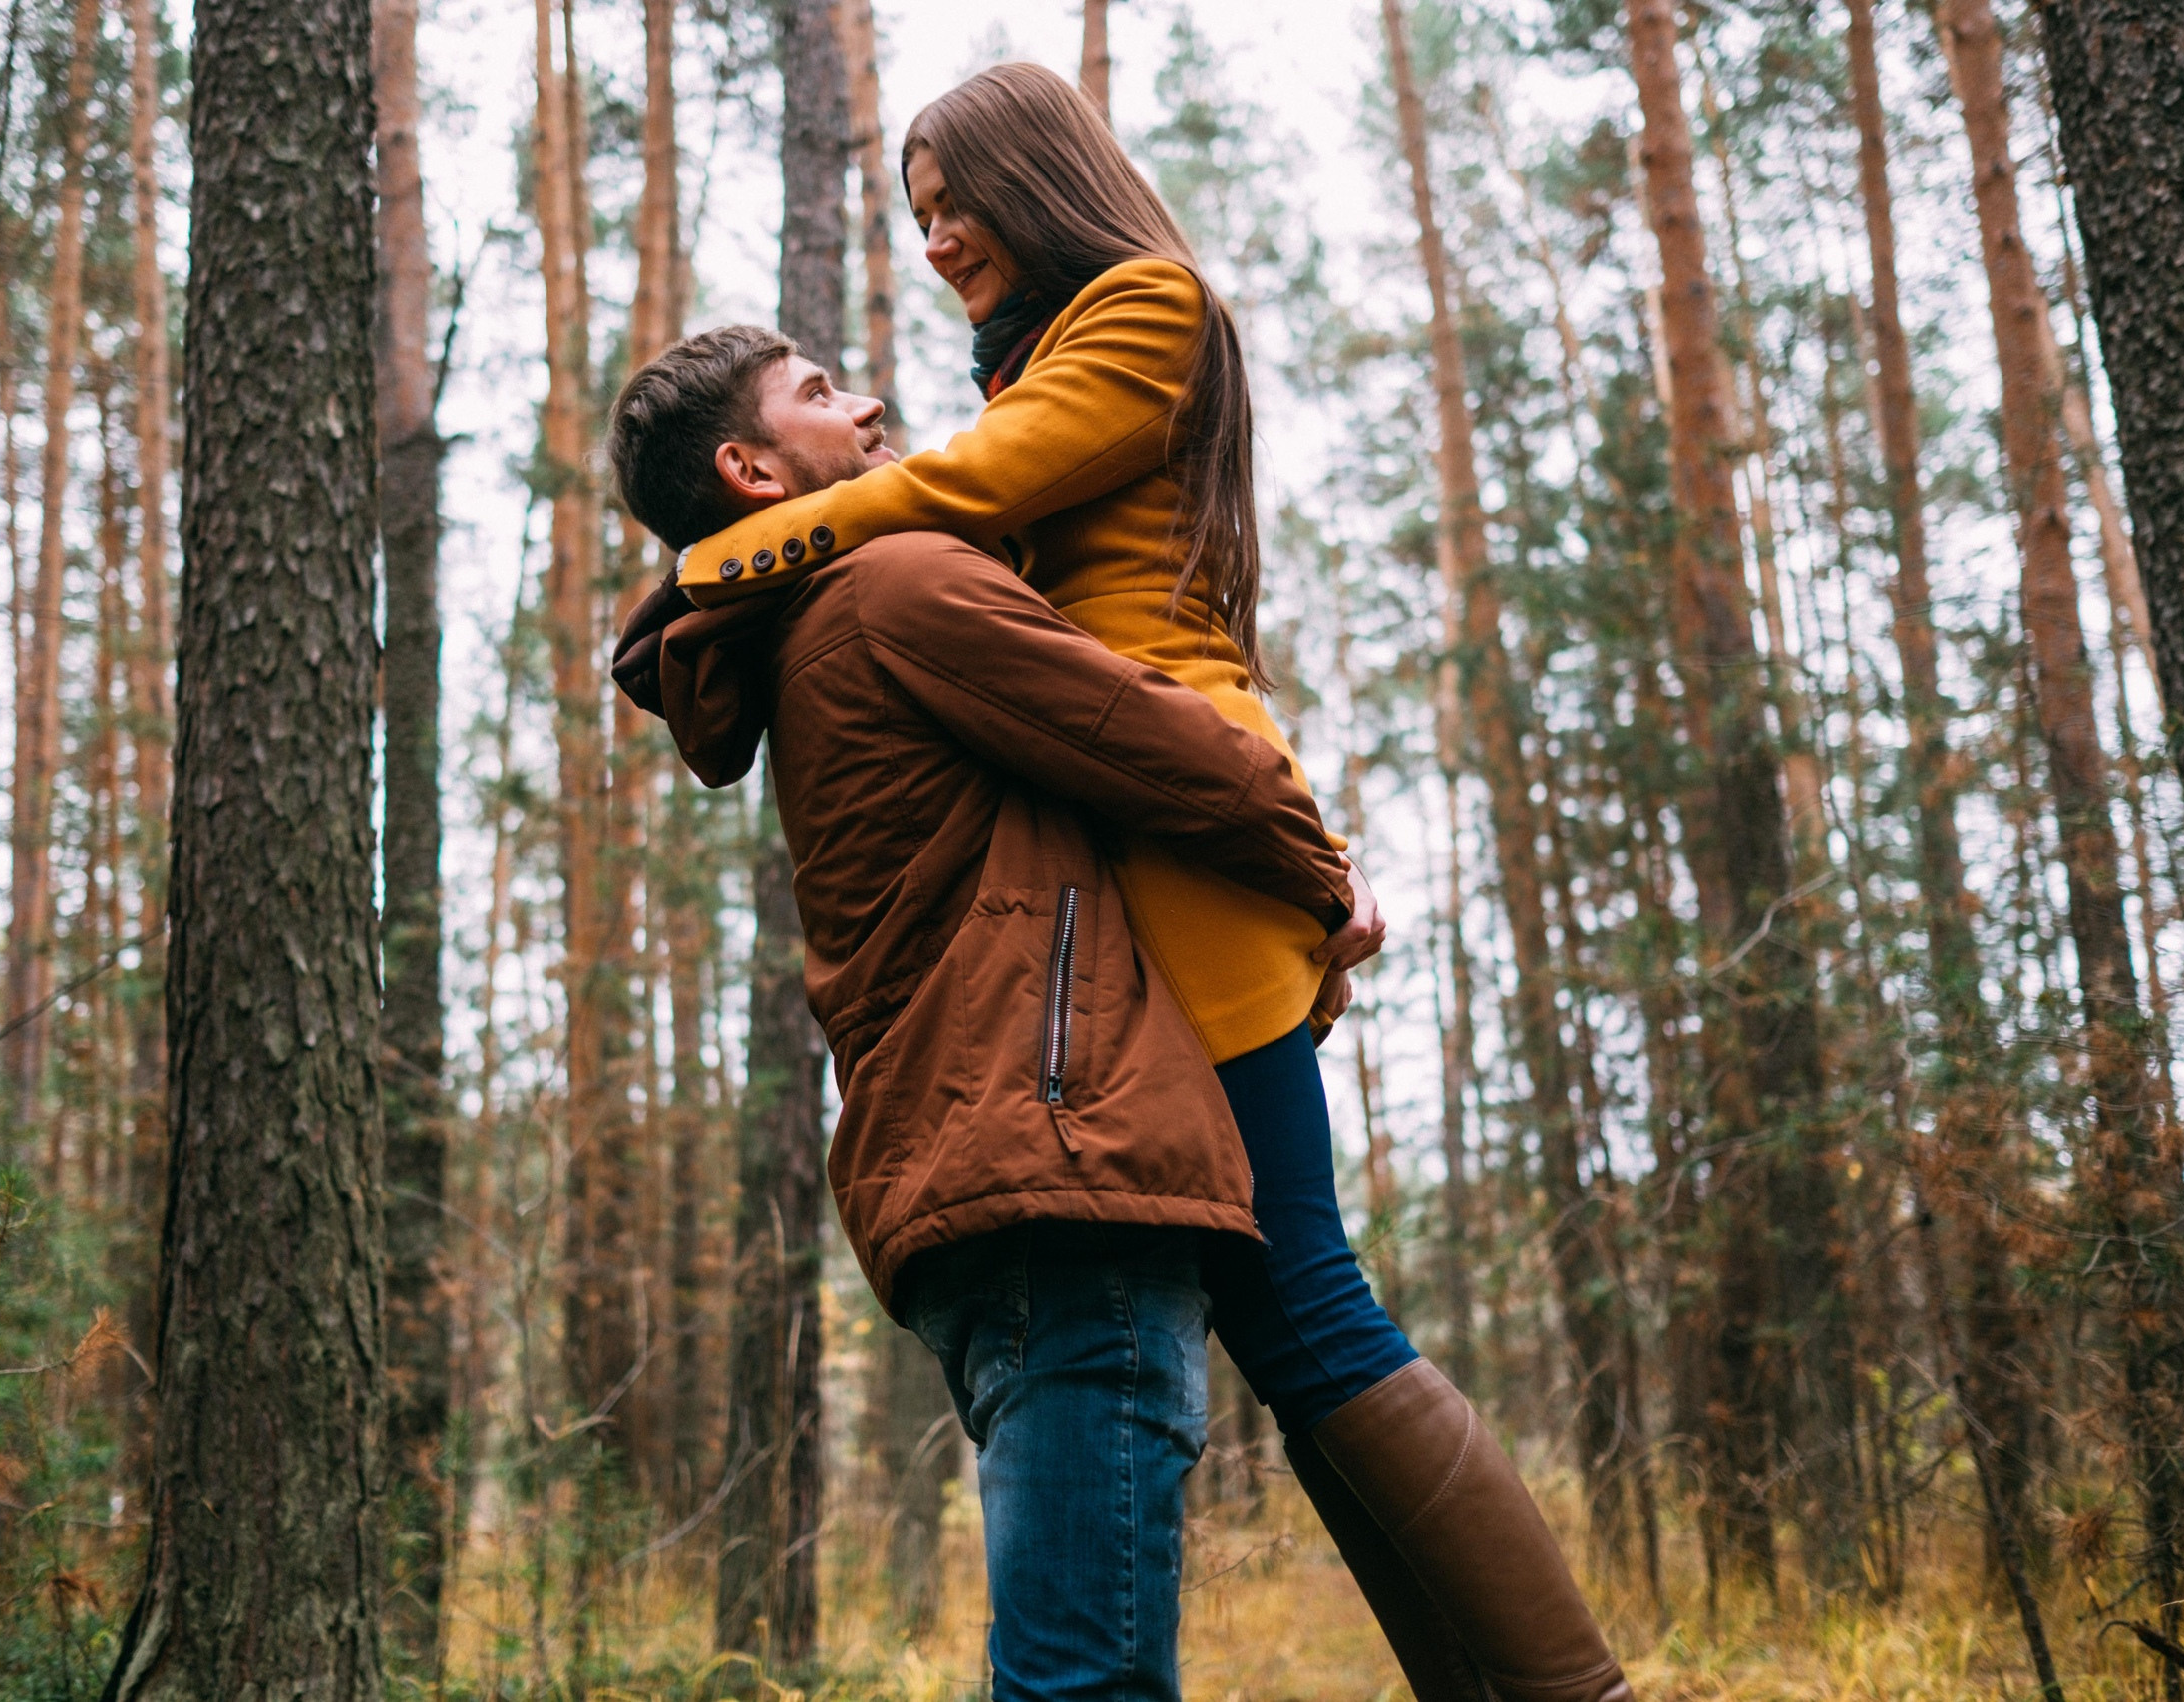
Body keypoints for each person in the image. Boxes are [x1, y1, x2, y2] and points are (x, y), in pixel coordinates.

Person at [652, 62, 1632, 1702]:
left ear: (1040, 173)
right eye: (920, 216)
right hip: (1147, 836)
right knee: (1292, 1307)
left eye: (956, 199)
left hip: (1186, 824)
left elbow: (961, 502)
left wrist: (727, 558)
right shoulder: (1026, 373)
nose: (941, 237)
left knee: (1307, 1297)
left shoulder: (1143, 307)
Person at [607, 323, 1364, 1699]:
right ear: (750, 467)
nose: (871, 399)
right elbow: (1163, 745)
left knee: (1068, 1665)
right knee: (1088, 1682)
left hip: (997, 1180)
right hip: (1059, 1169)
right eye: (820, 394)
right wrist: (1324, 880)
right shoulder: (894, 586)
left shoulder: (804, 629)